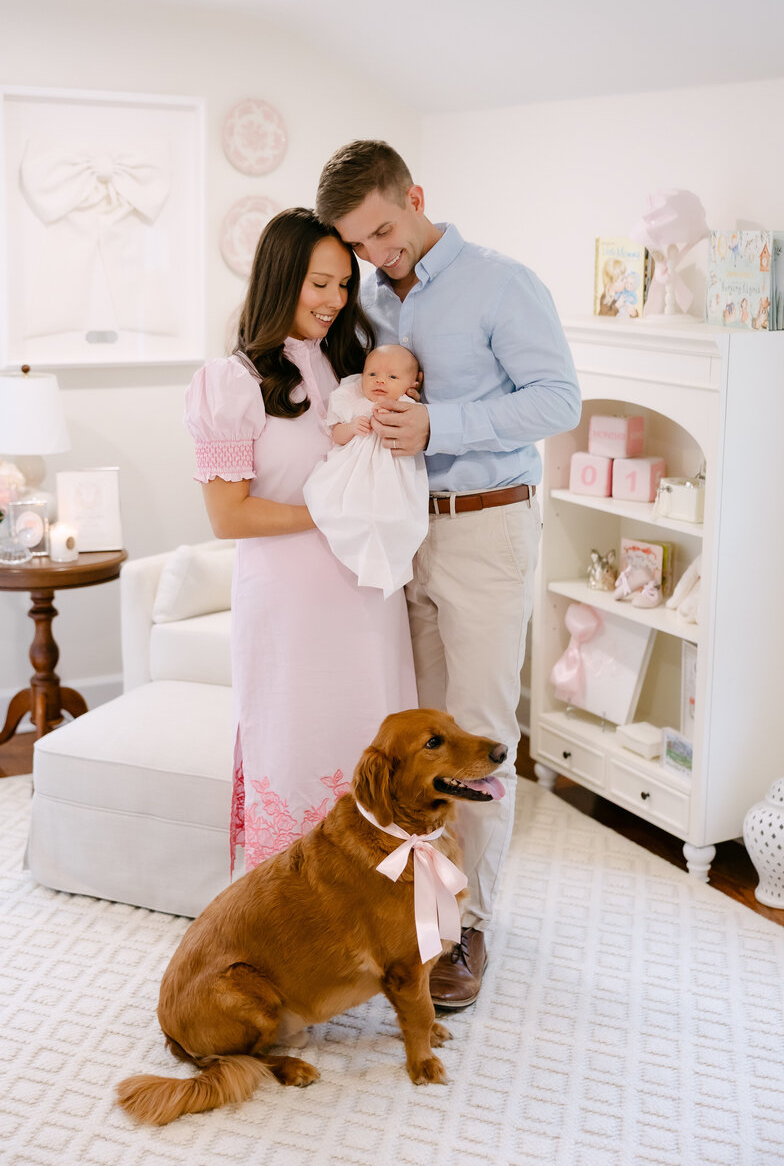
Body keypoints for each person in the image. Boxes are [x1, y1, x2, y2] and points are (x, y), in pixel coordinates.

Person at [316, 141, 581, 1008]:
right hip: (405, 537)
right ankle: (425, 910)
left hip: (486, 528)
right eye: (358, 244)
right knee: (421, 743)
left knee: (475, 733)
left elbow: (557, 401)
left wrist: (441, 426)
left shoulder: (504, 283)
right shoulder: (375, 299)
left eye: (384, 232)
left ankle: (472, 930)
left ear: (416, 197)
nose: (375, 255)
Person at [184, 207, 417, 873]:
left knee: (371, 746)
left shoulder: (348, 367)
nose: (335, 300)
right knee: (293, 745)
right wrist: (331, 513)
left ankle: (377, 919)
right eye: (320, 283)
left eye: (344, 285)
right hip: (288, 604)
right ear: (281, 277)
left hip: (366, 595)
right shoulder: (230, 382)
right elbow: (228, 517)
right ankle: (291, 924)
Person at [303, 342, 428, 597]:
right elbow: (336, 434)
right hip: (352, 472)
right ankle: (361, 562)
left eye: (392, 377)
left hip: (391, 475)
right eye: (372, 374)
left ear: (412, 384)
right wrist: (351, 428)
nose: (380, 381)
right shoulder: (350, 399)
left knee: (391, 516)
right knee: (349, 508)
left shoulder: (407, 406)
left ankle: (383, 567)